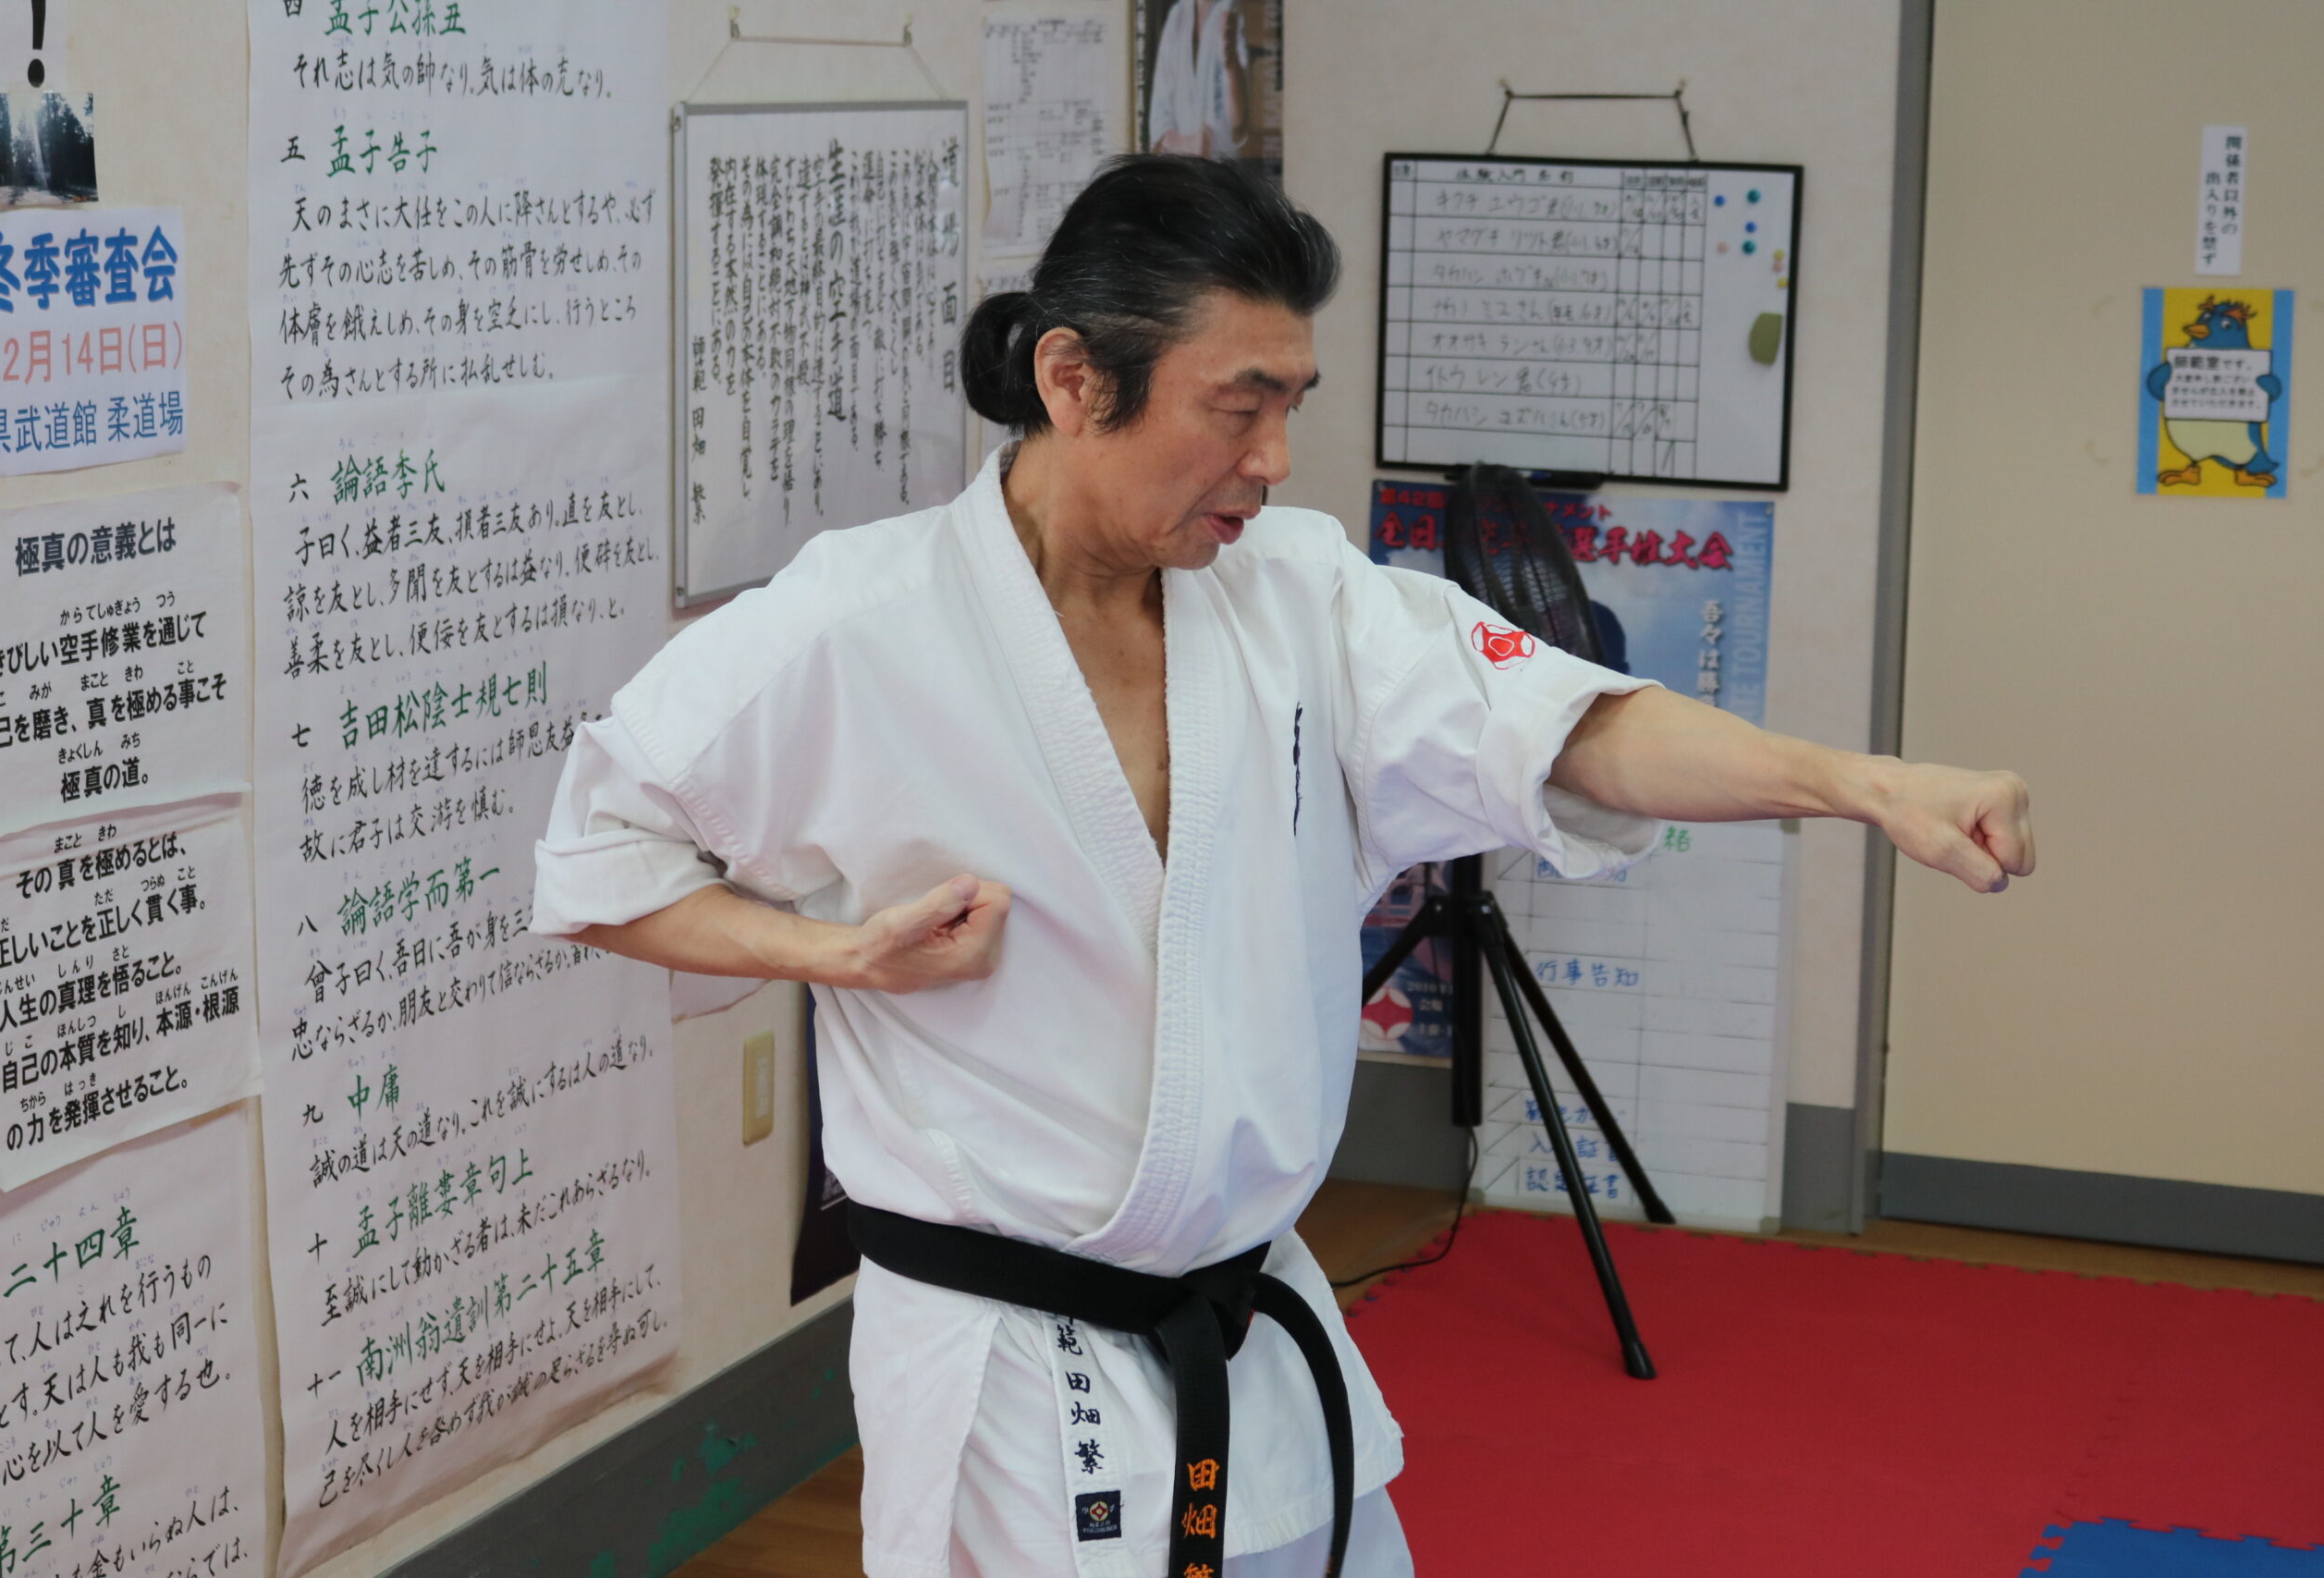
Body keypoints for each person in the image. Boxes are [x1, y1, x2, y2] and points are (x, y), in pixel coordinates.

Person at [531, 156, 2035, 1578]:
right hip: (1012, 1375)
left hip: (1255, 1328)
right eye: (1236, 406)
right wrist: (833, 955)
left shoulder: (1302, 596)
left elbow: (1570, 727)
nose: (1275, 459)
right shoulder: (855, 625)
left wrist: (1857, 782)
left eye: (1291, 403)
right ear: (1073, 379)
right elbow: (602, 858)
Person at [1146, 0, 1248, 160]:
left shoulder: (1230, 9)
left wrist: (1231, 63)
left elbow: (1238, 122)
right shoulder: (1178, 15)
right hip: (1182, 166)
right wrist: (1188, 145)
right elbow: (1160, 119)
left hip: (1222, 163)